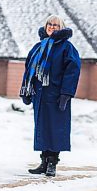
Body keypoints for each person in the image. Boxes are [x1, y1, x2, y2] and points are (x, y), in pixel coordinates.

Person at [20, 15, 81, 177]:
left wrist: (66, 94)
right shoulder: (38, 47)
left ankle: (53, 162)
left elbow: (73, 71)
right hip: (39, 95)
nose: (52, 27)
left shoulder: (67, 48)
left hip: (56, 96)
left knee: (55, 129)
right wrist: (26, 91)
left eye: (56, 25)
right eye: (49, 24)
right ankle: (44, 161)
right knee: (42, 128)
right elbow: (29, 70)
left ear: (61, 28)